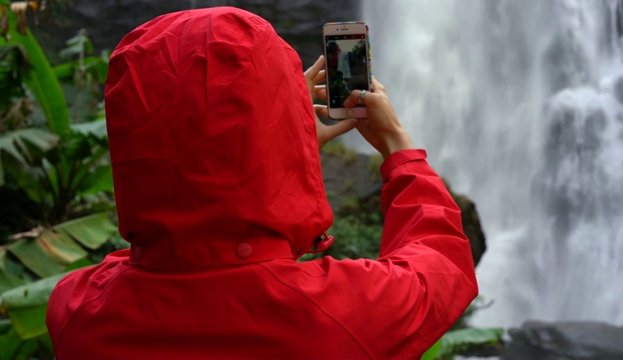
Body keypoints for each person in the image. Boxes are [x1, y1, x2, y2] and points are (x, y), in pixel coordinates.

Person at [46, 6, 478, 359]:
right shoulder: (339, 319)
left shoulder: (76, 313)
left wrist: (283, 136)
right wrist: (396, 145)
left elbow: (191, 226)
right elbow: (440, 266)